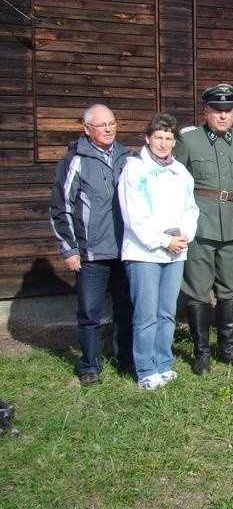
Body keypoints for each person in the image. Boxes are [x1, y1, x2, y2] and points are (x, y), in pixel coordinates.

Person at [173, 83, 233, 375]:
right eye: (218, 110)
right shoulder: (189, 140)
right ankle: (201, 353)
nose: (224, 116)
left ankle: (228, 350)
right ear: (206, 111)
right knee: (198, 290)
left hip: (232, 226)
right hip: (200, 225)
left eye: (229, 110)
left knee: (231, 288)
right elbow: (178, 182)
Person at [49, 103, 133, 386]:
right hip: (91, 253)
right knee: (90, 314)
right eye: (101, 125)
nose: (108, 129)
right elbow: (60, 208)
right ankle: (89, 366)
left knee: (125, 310)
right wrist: (70, 249)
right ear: (87, 129)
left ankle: (125, 360)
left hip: (125, 250)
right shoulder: (75, 159)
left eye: (112, 123)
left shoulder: (126, 157)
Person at [118, 113, 199, 389]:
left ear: (174, 141)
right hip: (145, 254)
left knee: (167, 313)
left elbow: (191, 208)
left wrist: (185, 235)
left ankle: (164, 364)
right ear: (147, 139)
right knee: (146, 314)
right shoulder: (134, 169)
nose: (163, 144)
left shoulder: (180, 172)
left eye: (168, 138)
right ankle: (145, 369)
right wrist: (163, 241)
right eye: (158, 138)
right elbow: (134, 215)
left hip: (176, 252)